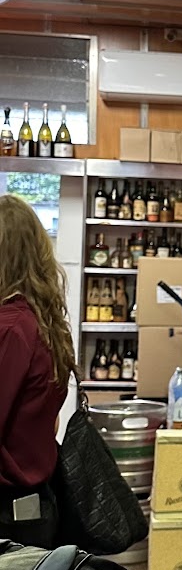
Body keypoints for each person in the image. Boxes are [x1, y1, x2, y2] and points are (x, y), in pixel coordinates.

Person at [0, 193, 76, 546]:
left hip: (8, 513)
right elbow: (50, 420)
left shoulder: (10, 328)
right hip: (35, 503)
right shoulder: (41, 321)